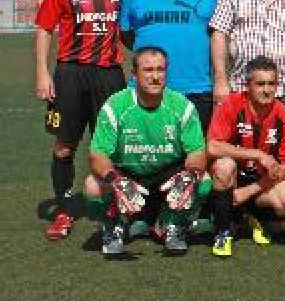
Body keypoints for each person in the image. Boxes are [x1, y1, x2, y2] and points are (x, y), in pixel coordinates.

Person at [34, 0, 149, 240]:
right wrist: (43, 74)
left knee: (113, 146)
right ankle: (64, 209)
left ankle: (116, 209)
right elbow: (44, 29)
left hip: (109, 75)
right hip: (70, 74)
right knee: (64, 145)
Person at [83, 46, 208, 256]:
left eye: (160, 70)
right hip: (128, 175)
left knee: (203, 181)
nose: (155, 76)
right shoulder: (115, 106)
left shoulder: (182, 106)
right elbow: (97, 155)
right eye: (148, 70)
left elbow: (197, 153)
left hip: (168, 175)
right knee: (93, 186)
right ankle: (113, 227)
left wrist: (189, 175)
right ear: (134, 74)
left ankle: (171, 224)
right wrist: (116, 180)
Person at [121, 0, 220, 130]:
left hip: (196, 89)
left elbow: (218, 37)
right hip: (147, 89)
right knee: (146, 156)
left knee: (195, 158)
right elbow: (126, 35)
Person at [206, 57, 285, 256]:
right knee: (224, 166)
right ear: (247, 85)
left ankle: (252, 215)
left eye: (271, 84)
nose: (266, 90)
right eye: (260, 84)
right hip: (230, 179)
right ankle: (223, 230)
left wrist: (249, 191)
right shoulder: (231, 105)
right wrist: (257, 154)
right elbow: (213, 147)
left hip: (262, 181)